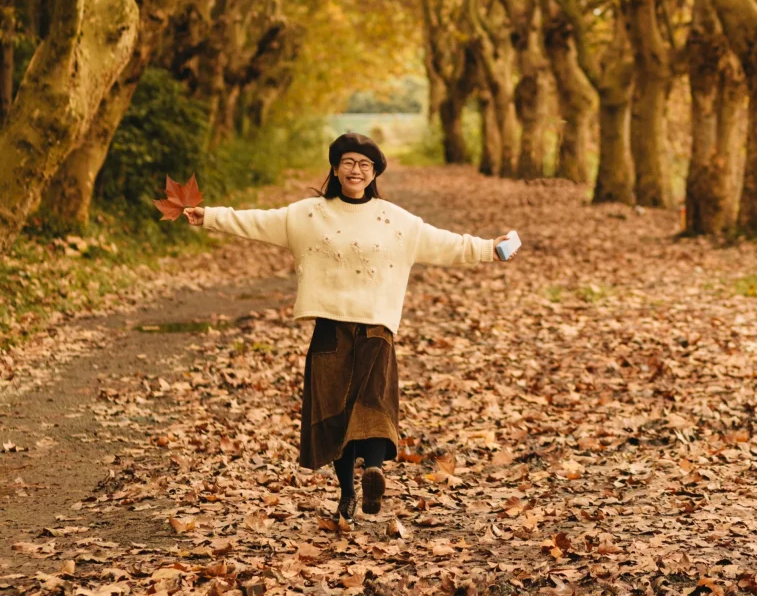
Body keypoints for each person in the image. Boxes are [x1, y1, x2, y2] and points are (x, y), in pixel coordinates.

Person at [183, 132, 518, 521]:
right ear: (336, 168)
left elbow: (446, 244)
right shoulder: (306, 215)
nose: (356, 170)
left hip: (376, 327)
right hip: (330, 327)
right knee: (335, 413)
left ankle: (373, 471)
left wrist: (489, 248)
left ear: (374, 172)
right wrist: (208, 216)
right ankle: (347, 494)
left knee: (373, 400)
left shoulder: (396, 221)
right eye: (348, 162)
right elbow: (255, 221)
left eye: (364, 165)